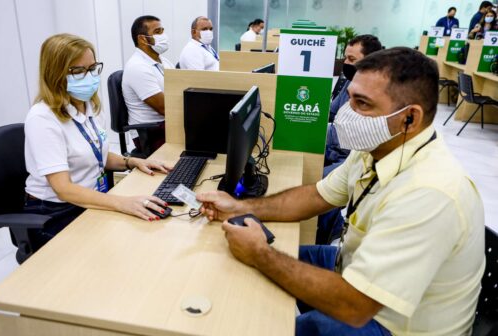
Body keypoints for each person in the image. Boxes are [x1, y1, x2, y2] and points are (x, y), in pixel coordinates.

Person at [198, 47, 485, 336]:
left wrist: (260, 253)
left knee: (281, 325)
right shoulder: (379, 147)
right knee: (260, 261)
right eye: (350, 98)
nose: (348, 113)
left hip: (392, 326)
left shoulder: (430, 192)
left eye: (362, 103)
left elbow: (355, 307)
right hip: (351, 267)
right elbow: (317, 196)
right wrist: (241, 208)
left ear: (409, 118)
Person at [25, 34, 172, 249]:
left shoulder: (88, 105)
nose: (89, 76)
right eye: (78, 71)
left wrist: (131, 162)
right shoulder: (43, 118)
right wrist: (121, 203)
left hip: (89, 198)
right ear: (55, 74)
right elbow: (63, 189)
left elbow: (96, 153)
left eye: (92, 68)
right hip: (54, 211)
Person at [317, 35, 382, 245]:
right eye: (345, 58)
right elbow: (332, 113)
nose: (346, 63)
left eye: (352, 59)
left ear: (370, 61)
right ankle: (332, 226)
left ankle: (322, 236)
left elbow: (349, 133)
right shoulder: (351, 83)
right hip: (334, 147)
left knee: (317, 180)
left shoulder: (378, 93)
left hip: (351, 155)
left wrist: (323, 132)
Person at [122, 15, 174, 155]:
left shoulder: (163, 61)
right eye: (158, 32)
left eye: (163, 31)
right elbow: (164, 108)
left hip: (167, 126)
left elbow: (179, 89)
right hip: (151, 133)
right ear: (142, 39)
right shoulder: (137, 67)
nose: (163, 35)